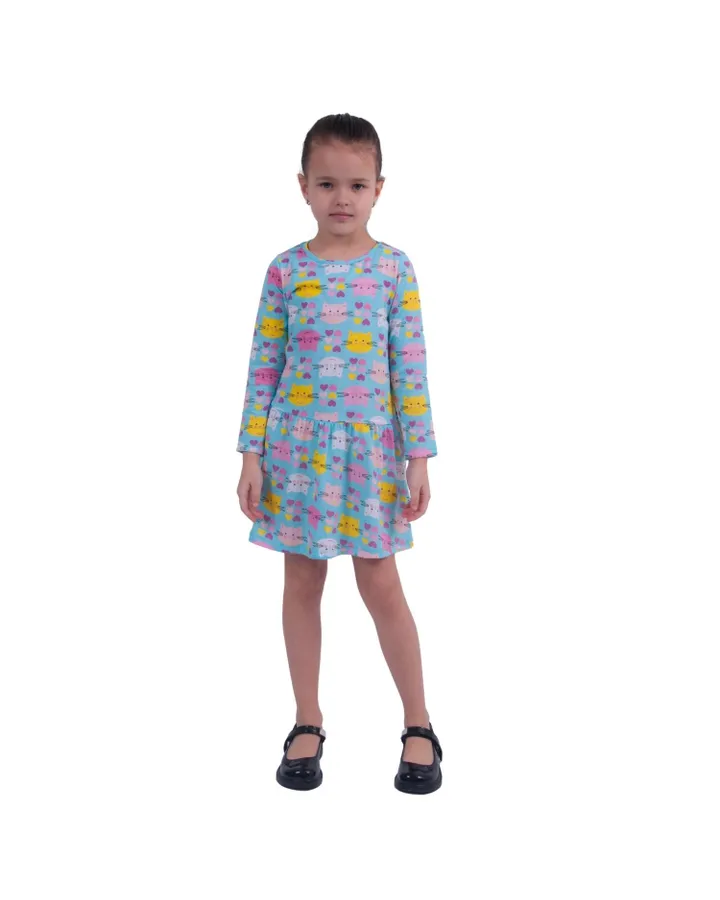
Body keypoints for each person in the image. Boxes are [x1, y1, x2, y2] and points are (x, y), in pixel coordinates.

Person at [235, 113, 443, 794]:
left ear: (379, 188)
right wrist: (251, 454)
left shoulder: (394, 269)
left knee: (381, 584)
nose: (342, 198)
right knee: (301, 582)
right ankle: (307, 718)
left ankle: (418, 722)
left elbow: (409, 366)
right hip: (295, 455)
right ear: (304, 186)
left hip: (370, 458)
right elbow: (264, 365)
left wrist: (418, 457)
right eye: (327, 184)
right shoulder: (285, 270)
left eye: (356, 185)